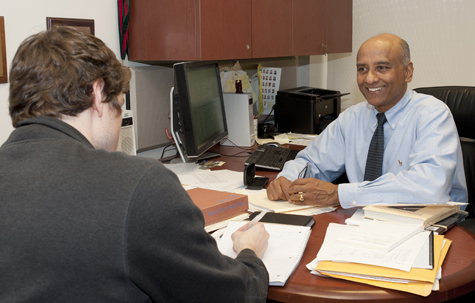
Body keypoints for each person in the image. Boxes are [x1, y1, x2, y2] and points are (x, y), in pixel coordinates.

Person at [0, 26, 269, 302]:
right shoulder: (136, 186)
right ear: (97, 95)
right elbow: (234, 296)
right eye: (119, 104)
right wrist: (250, 254)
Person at [267, 33, 467, 209]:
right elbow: (310, 161)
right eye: (362, 69)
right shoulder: (352, 117)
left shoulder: (432, 114)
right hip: (365, 224)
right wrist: (288, 179)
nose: (370, 79)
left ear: (408, 72)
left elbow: (429, 188)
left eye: (382, 67)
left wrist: (339, 194)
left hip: (432, 226)